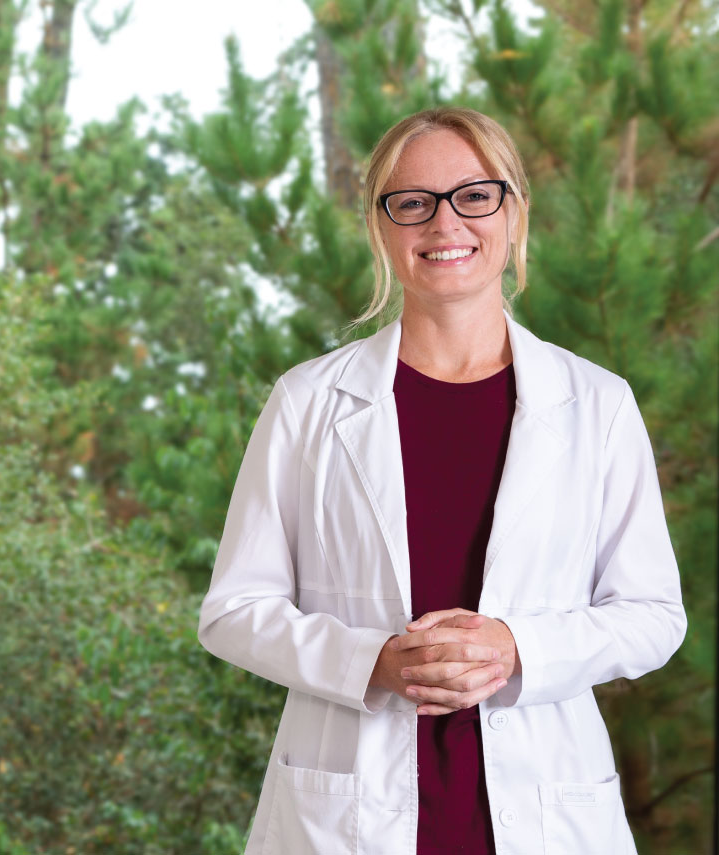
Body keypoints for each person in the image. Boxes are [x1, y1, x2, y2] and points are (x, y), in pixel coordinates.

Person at [198, 107, 684, 855]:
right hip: (346, 814)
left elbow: (653, 614)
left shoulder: (598, 404)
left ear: (513, 211)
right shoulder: (308, 401)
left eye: (474, 195)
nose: (444, 222)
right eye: (412, 201)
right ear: (382, 226)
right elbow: (234, 609)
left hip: (546, 811)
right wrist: (372, 662)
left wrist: (515, 647)